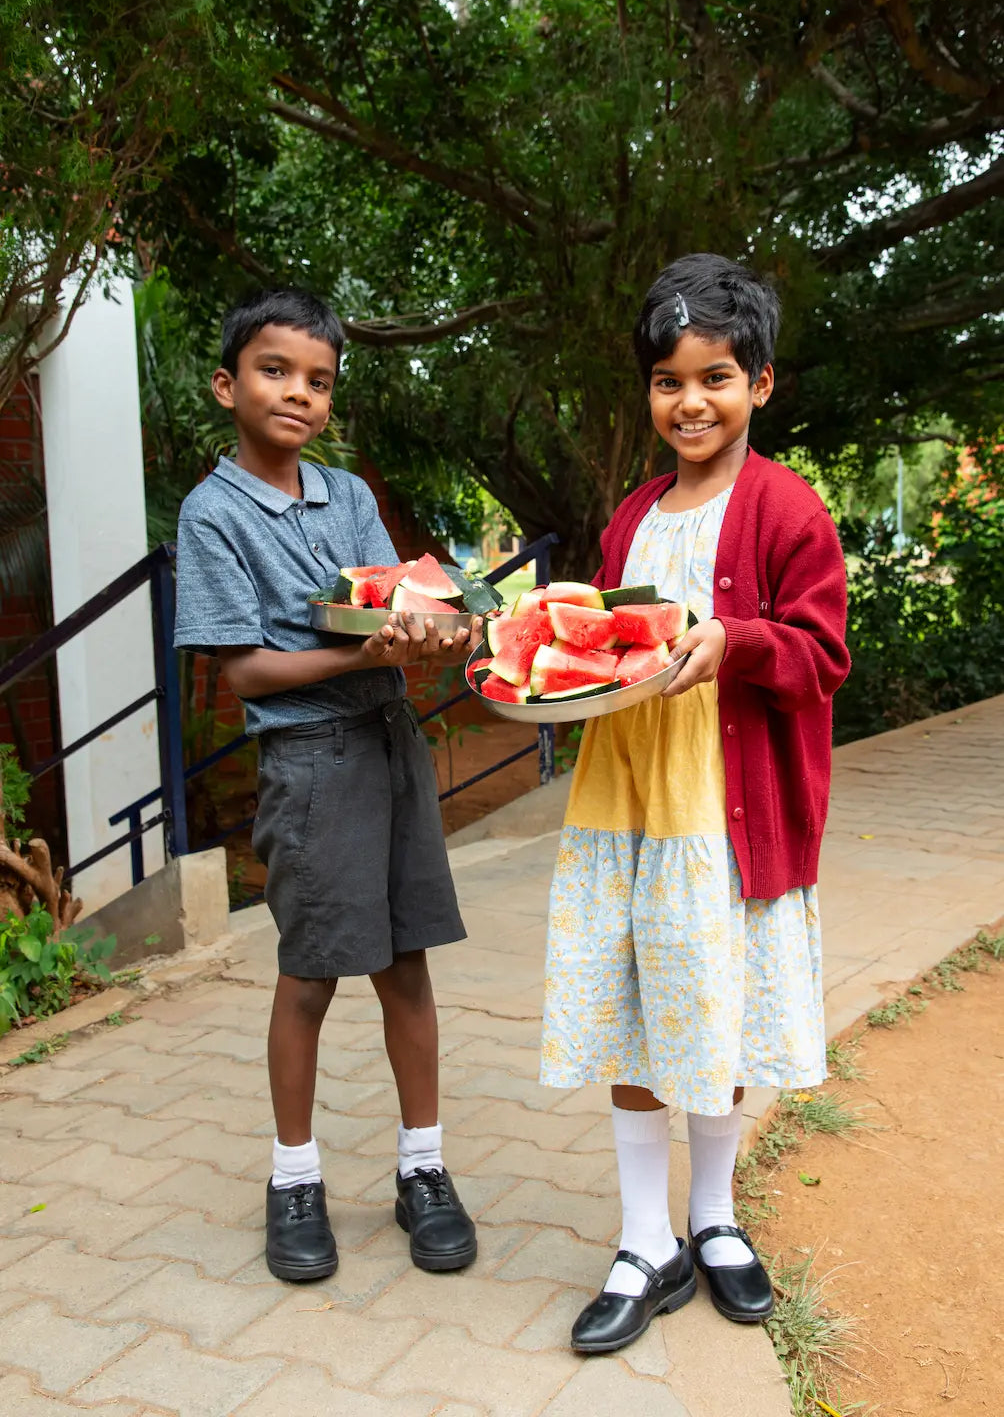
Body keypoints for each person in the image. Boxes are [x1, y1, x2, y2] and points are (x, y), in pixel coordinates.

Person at [539, 254, 850, 1354]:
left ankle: (711, 1218)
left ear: (758, 384)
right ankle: (641, 1238)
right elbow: (606, 643)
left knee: (710, 1015)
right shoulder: (628, 519)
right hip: (621, 806)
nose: (690, 401)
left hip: (721, 811)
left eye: (714, 376)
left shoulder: (787, 509)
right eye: (668, 382)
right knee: (633, 1010)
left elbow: (821, 655)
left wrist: (736, 643)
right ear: (647, 394)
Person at [174, 287, 479, 1283]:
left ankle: (421, 1169)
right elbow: (246, 672)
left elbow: (395, 600)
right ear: (228, 385)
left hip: (389, 746)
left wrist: (445, 622)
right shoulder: (212, 513)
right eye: (274, 371)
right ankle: (294, 1179)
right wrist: (368, 655)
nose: (297, 393)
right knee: (308, 976)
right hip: (307, 763)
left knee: (407, 967)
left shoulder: (345, 494)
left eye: (317, 380)